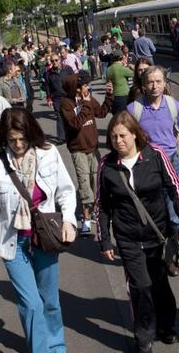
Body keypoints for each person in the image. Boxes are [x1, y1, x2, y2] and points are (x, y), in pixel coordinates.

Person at [0, 109, 77, 353]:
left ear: (31, 132)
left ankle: (56, 347)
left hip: (44, 238)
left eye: (22, 138)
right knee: (31, 304)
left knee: (49, 301)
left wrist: (68, 220)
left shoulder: (48, 154)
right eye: (12, 139)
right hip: (13, 243)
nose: (18, 144)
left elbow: (65, 190)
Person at [95, 111, 179, 353]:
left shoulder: (155, 155)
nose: (119, 141)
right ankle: (144, 336)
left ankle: (166, 327)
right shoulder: (106, 165)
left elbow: (176, 188)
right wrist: (105, 240)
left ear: (135, 134)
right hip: (127, 238)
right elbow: (102, 206)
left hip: (157, 235)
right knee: (140, 287)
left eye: (123, 135)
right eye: (114, 136)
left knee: (159, 284)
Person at [59, 70, 113, 235]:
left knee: (96, 182)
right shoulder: (66, 104)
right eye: (84, 86)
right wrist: (86, 105)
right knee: (84, 186)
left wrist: (109, 96)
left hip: (93, 148)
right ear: (76, 89)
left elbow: (101, 113)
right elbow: (74, 124)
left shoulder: (89, 99)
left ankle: (96, 213)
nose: (87, 88)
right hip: (78, 150)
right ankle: (86, 219)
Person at [128, 66, 179, 176]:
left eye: (158, 81)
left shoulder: (174, 105)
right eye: (150, 82)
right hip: (147, 162)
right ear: (144, 85)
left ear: (164, 83)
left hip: (172, 161)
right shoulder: (133, 109)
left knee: (175, 192)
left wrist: (174, 143)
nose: (155, 86)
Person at [44, 54, 71, 142]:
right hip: (57, 98)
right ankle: (61, 137)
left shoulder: (67, 69)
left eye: (56, 60)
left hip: (68, 96)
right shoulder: (48, 73)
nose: (54, 62)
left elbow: (74, 81)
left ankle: (72, 134)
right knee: (59, 117)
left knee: (70, 116)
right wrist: (49, 98)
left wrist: (77, 94)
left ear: (60, 60)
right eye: (52, 61)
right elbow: (47, 87)